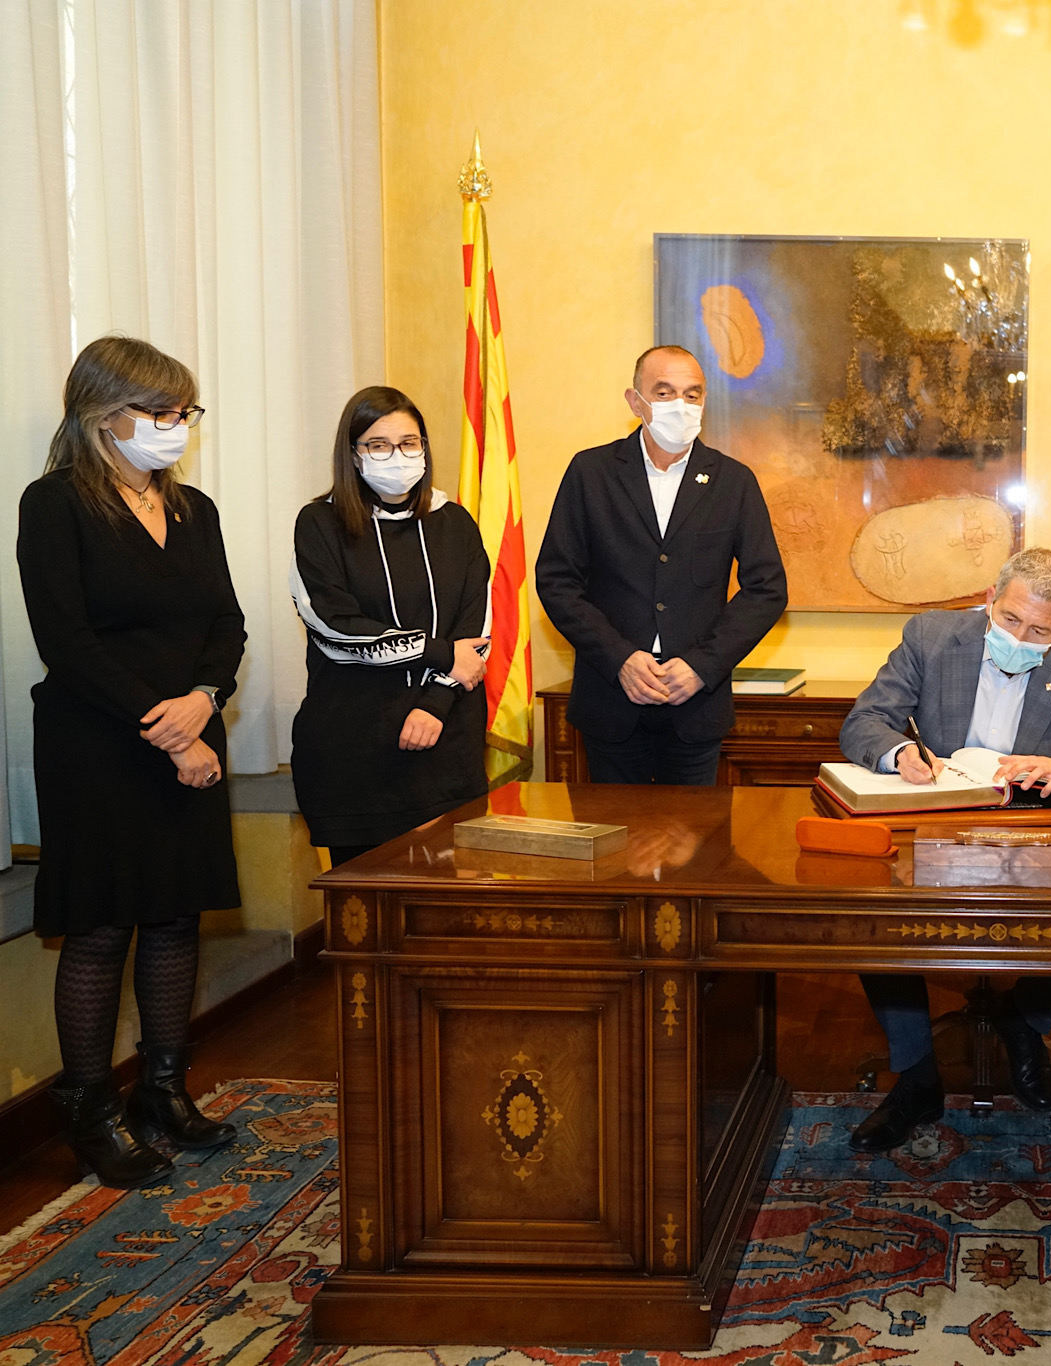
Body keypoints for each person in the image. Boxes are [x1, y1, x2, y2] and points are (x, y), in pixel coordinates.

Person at [838, 547, 1051, 1152]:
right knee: (874, 920)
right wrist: (899, 754)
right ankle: (917, 1076)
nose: (1021, 636)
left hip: (1037, 839)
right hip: (938, 824)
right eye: (1011, 620)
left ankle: (1025, 1018)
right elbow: (865, 721)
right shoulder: (932, 637)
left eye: (1040, 630)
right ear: (991, 598)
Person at [16, 336, 247, 1186]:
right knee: (103, 925)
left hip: (190, 731)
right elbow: (66, 641)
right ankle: (90, 1111)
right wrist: (175, 730)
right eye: (155, 412)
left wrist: (204, 702)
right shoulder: (54, 505)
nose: (172, 427)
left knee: (176, 916)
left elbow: (227, 624)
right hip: (99, 744)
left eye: (182, 411)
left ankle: (163, 1092)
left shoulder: (197, 511)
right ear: (98, 414)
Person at [535, 345, 787, 784]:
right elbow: (556, 581)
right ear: (636, 402)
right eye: (665, 392)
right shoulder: (590, 472)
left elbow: (767, 588)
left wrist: (702, 666)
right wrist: (620, 659)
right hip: (611, 703)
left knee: (694, 849)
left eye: (693, 394)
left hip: (695, 708)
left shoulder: (733, 481)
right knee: (614, 847)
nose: (681, 405)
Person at [290, 387, 492, 867]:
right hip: (356, 747)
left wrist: (436, 703)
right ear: (353, 454)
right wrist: (438, 653)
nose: (397, 456)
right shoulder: (319, 524)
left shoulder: (456, 523)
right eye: (378, 445)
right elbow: (335, 630)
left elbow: (477, 628)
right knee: (366, 914)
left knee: (447, 915)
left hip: (446, 738)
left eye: (409, 443)